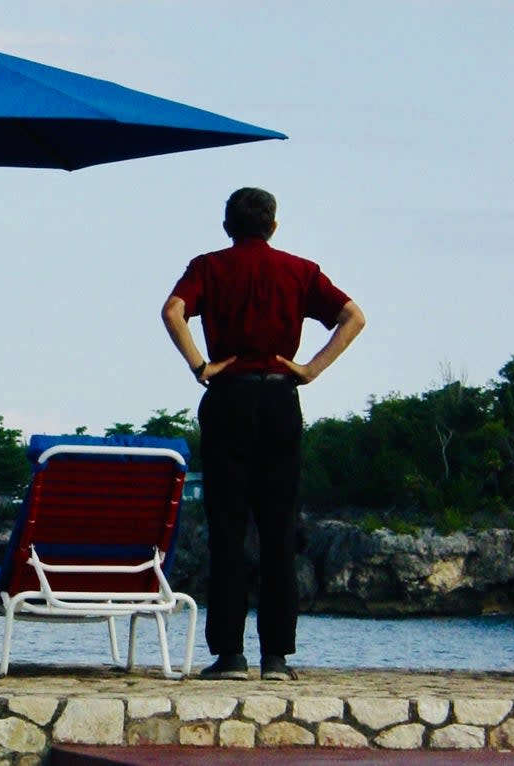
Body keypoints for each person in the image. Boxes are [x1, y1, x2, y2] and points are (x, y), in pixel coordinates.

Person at [161, 187, 365, 680]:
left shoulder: (209, 266)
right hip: (278, 397)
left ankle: (230, 654)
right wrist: (311, 369)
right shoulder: (300, 270)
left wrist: (199, 366)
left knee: (227, 529)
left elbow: (172, 311)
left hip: (228, 394)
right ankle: (276, 656)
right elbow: (353, 316)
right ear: (273, 225)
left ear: (227, 225)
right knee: (278, 529)